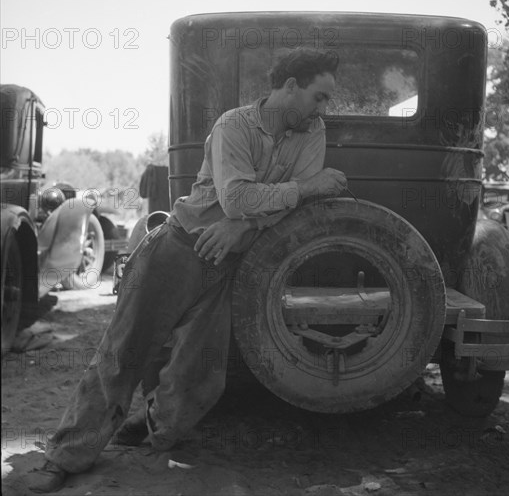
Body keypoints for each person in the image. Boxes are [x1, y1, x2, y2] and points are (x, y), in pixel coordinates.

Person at [27, 47, 347, 493]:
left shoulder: (312, 130)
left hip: (231, 261)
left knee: (200, 374)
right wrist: (299, 190)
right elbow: (241, 198)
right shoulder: (233, 126)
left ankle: (153, 432)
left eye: (327, 100)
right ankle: (65, 456)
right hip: (177, 250)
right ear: (290, 86)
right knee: (122, 357)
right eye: (319, 96)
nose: (322, 109)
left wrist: (246, 227)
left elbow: (287, 209)